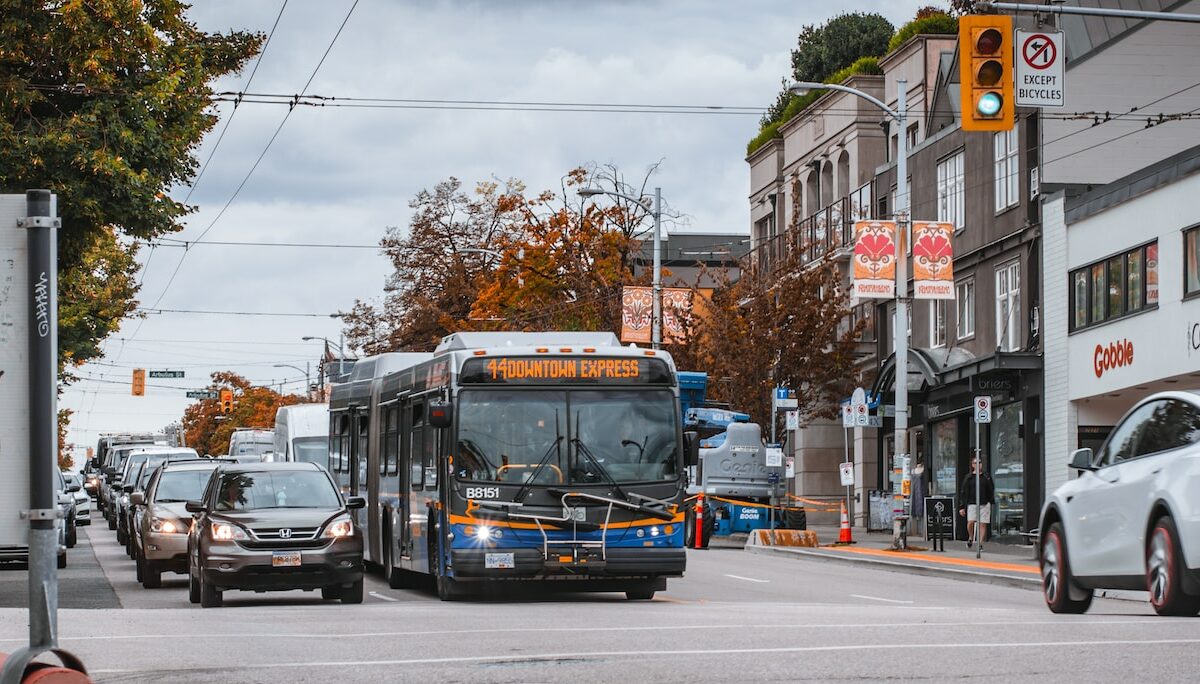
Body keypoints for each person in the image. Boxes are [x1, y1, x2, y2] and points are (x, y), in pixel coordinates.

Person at [958, 458, 995, 549]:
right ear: (973, 465)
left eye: (980, 462)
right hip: (972, 503)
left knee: (983, 523)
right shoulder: (969, 477)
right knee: (970, 522)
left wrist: (990, 501)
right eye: (976, 463)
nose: (978, 464)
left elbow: (991, 489)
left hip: (984, 503)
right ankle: (970, 537)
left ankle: (980, 543)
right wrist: (961, 506)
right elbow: (963, 492)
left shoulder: (986, 477)